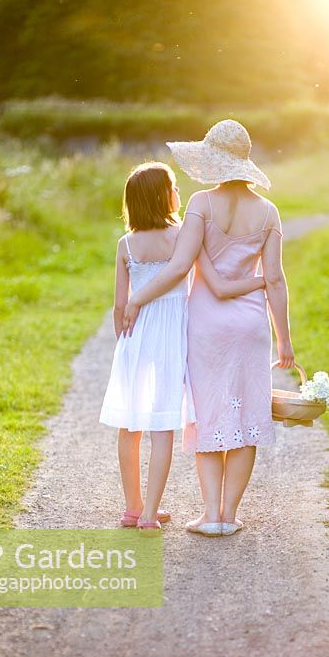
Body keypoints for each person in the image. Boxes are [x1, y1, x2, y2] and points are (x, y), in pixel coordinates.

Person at [122, 121, 295, 536]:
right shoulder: (268, 212)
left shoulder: (201, 203)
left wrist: (137, 298)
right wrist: (285, 341)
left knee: (208, 416)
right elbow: (275, 279)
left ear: (214, 161)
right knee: (247, 417)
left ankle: (209, 513)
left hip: (205, 325)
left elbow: (181, 266)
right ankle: (230, 515)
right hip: (250, 324)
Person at [100, 160, 266, 532]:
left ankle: (133, 507)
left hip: (135, 337)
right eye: (174, 187)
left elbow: (118, 304)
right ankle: (148, 515)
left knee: (130, 425)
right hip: (173, 335)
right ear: (163, 196)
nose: (179, 193)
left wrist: (124, 342)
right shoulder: (181, 237)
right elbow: (206, 278)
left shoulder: (125, 244)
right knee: (163, 427)